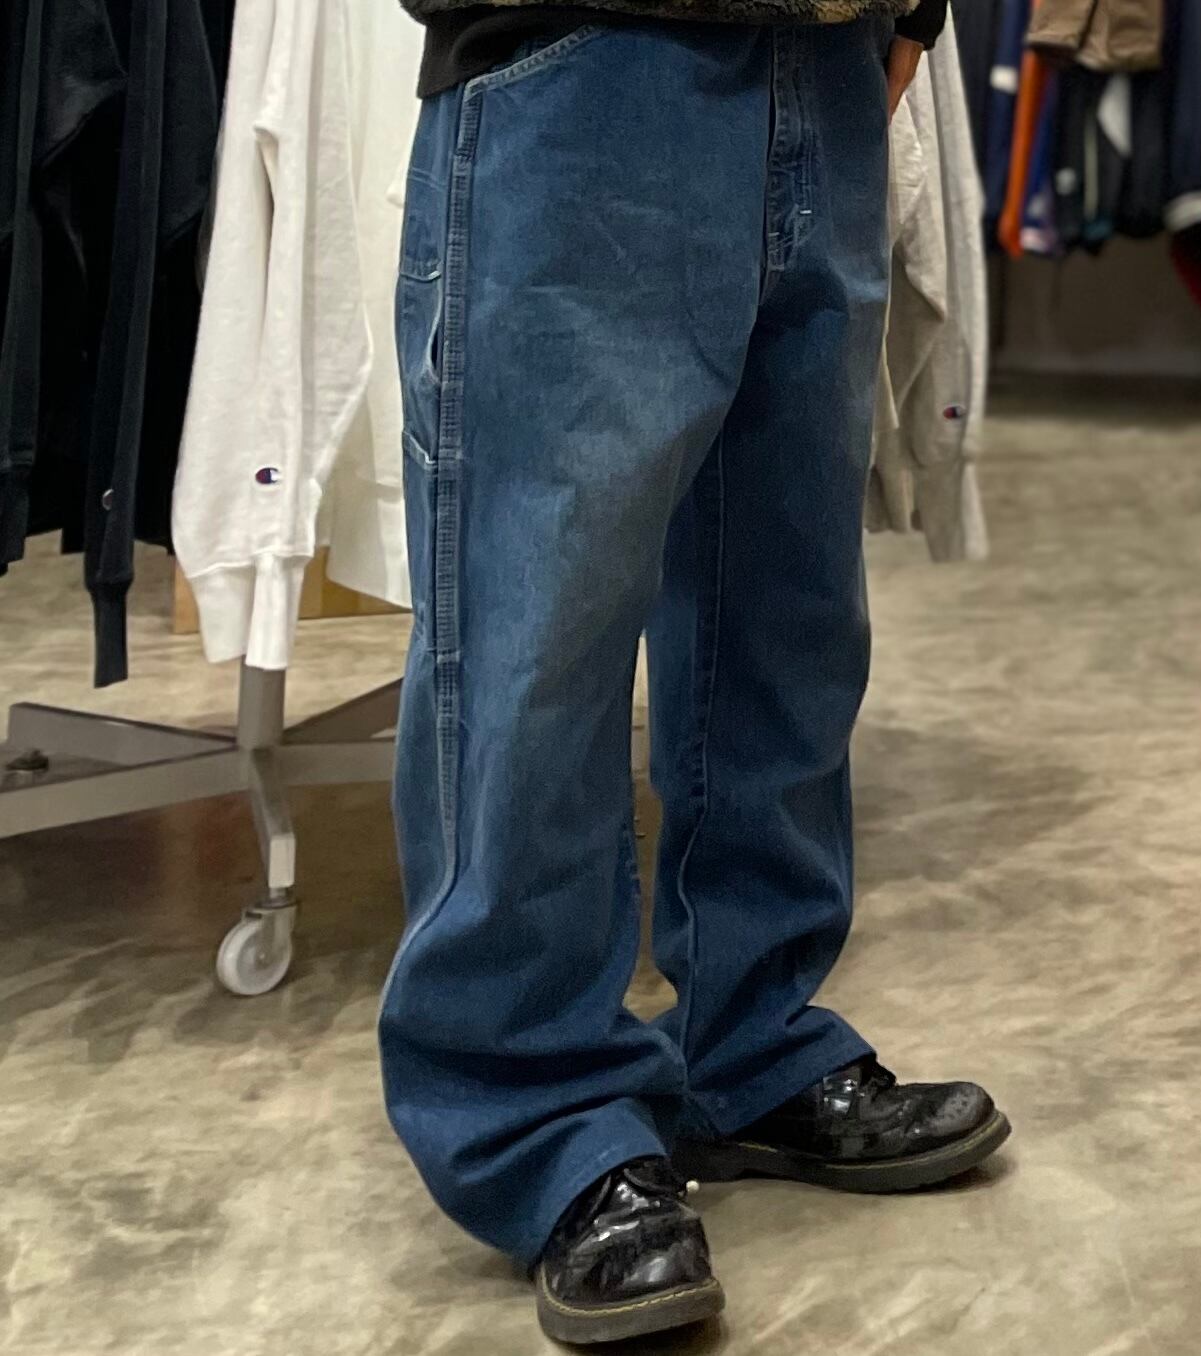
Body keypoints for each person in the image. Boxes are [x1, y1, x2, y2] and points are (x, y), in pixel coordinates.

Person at [378, 0, 1012, 1341]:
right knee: (542, 629)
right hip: (582, 47)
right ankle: (537, 1116)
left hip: (826, 60)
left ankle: (754, 1042)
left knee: (785, 614)